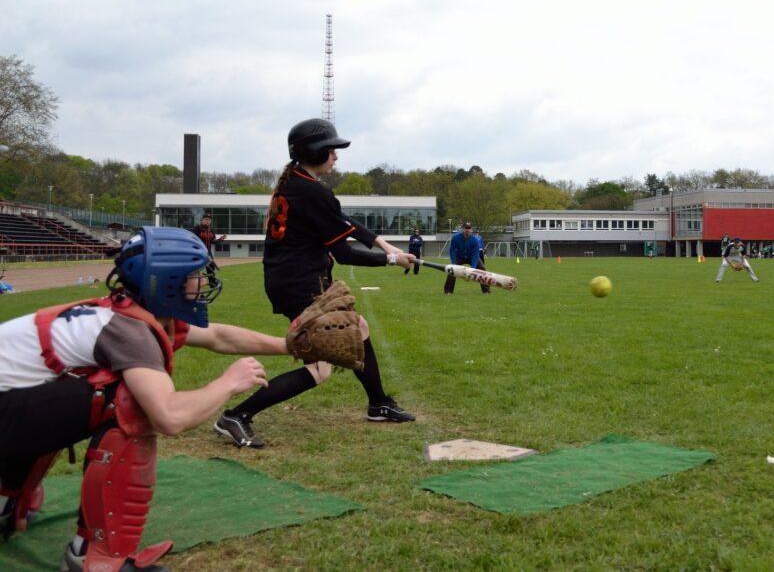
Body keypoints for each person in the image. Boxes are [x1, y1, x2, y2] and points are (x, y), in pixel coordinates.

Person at [0, 226, 285, 572]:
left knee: (86, 390)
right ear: (166, 281)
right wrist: (228, 383)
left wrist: (289, 346)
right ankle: (95, 557)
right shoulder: (129, 331)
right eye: (194, 275)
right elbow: (169, 416)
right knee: (125, 401)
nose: (202, 282)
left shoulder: (127, 314)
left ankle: (6, 500)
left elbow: (219, 336)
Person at [214, 119, 418, 450]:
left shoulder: (296, 182)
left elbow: (341, 221)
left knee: (358, 328)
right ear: (315, 152)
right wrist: (393, 260)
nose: (336, 156)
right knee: (321, 366)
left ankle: (378, 403)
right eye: (332, 150)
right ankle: (237, 415)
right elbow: (344, 253)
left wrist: (382, 242)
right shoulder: (310, 190)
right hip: (300, 284)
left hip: (293, 279)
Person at [444, 222, 490, 294]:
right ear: (463, 229)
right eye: (466, 228)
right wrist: (453, 262)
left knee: (482, 269)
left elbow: (475, 255)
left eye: (469, 228)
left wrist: (473, 268)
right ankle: (448, 291)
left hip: (471, 257)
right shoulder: (456, 237)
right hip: (459, 256)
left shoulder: (474, 240)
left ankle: (486, 291)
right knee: (451, 270)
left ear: (471, 230)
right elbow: (452, 249)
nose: (467, 230)